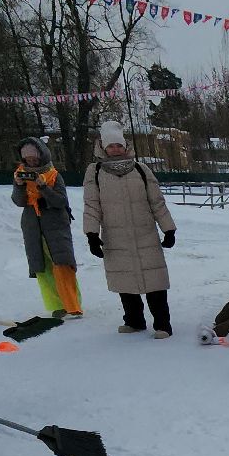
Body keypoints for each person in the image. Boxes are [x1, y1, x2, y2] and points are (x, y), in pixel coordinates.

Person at [81, 120, 177, 337]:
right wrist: (92, 235)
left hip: (145, 235)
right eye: (111, 146)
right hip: (115, 237)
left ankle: (162, 324)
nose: (115, 149)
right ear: (103, 148)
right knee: (125, 281)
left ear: (125, 146)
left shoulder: (141, 170)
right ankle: (134, 320)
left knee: (155, 281)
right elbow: (92, 205)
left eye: (119, 145)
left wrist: (168, 229)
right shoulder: (94, 172)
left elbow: (157, 202)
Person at [12, 137, 82, 318]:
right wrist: (20, 186)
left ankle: (73, 305)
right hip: (32, 226)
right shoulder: (19, 174)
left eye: (34, 158)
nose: (31, 161)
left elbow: (60, 201)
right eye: (27, 159)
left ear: (42, 156)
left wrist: (43, 187)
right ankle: (57, 305)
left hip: (55, 225)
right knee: (43, 267)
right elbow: (19, 202)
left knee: (63, 264)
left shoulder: (53, 175)